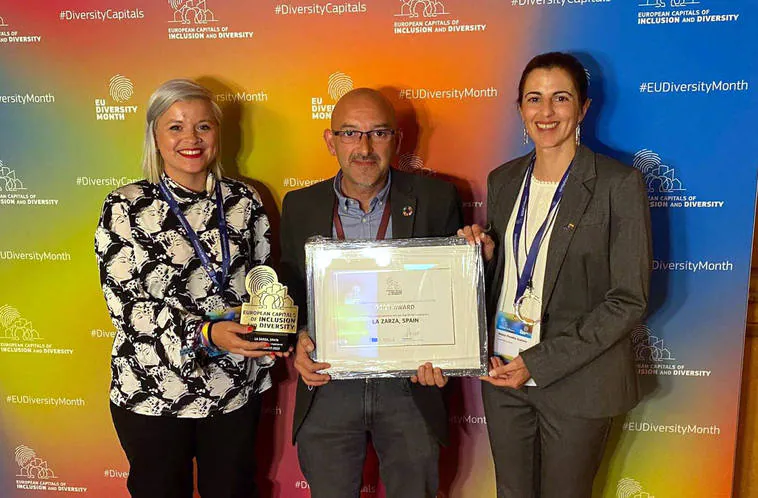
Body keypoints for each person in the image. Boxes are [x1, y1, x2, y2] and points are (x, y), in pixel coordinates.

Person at [459, 52, 652, 498]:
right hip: (504, 372)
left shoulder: (618, 184)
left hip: (578, 381)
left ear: (583, 108)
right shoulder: (504, 179)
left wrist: (539, 363)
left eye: (560, 98)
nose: (546, 112)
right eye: (534, 99)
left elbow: (629, 299)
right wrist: (484, 258)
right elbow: (514, 276)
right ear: (520, 109)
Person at [95, 78, 283, 498]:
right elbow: (124, 307)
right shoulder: (125, 205)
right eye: (175, 127)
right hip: (153, 388)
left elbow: (265, 280)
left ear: (218, 133)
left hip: (234, 385)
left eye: (203, 126)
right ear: (155, 137)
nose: (191, 139)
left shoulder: (245, 200)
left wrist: (273, 329)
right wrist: (204, 332)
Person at [279, 88, 463, 498]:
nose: (364, 147)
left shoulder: (436, 199)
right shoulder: (299, 205)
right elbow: (289, 295)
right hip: (329, 382)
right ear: (331, 141)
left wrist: (448, 351)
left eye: (378, 133)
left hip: (409, 386)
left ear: (397, 139)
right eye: (350, 133)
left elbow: (455, 294)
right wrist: (298, 341)